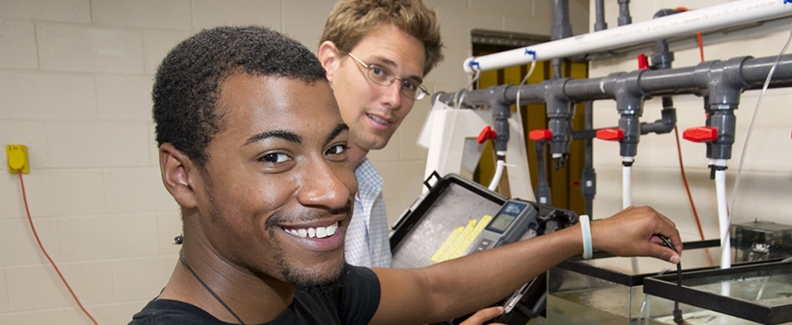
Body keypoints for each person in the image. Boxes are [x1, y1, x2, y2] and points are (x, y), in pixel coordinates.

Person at [131, 26, 681, 325]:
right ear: (182, 175)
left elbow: (432, 287)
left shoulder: (307, 293)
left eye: (336, 148)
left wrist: (588, 235)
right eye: (276, 156)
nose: (333, 189)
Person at [317, 0, 443, 268]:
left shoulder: (367, 186)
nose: (395, 99)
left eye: (408, 84)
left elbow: (373, 303)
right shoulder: (299, 192)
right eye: (378, 70)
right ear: (329, 62)